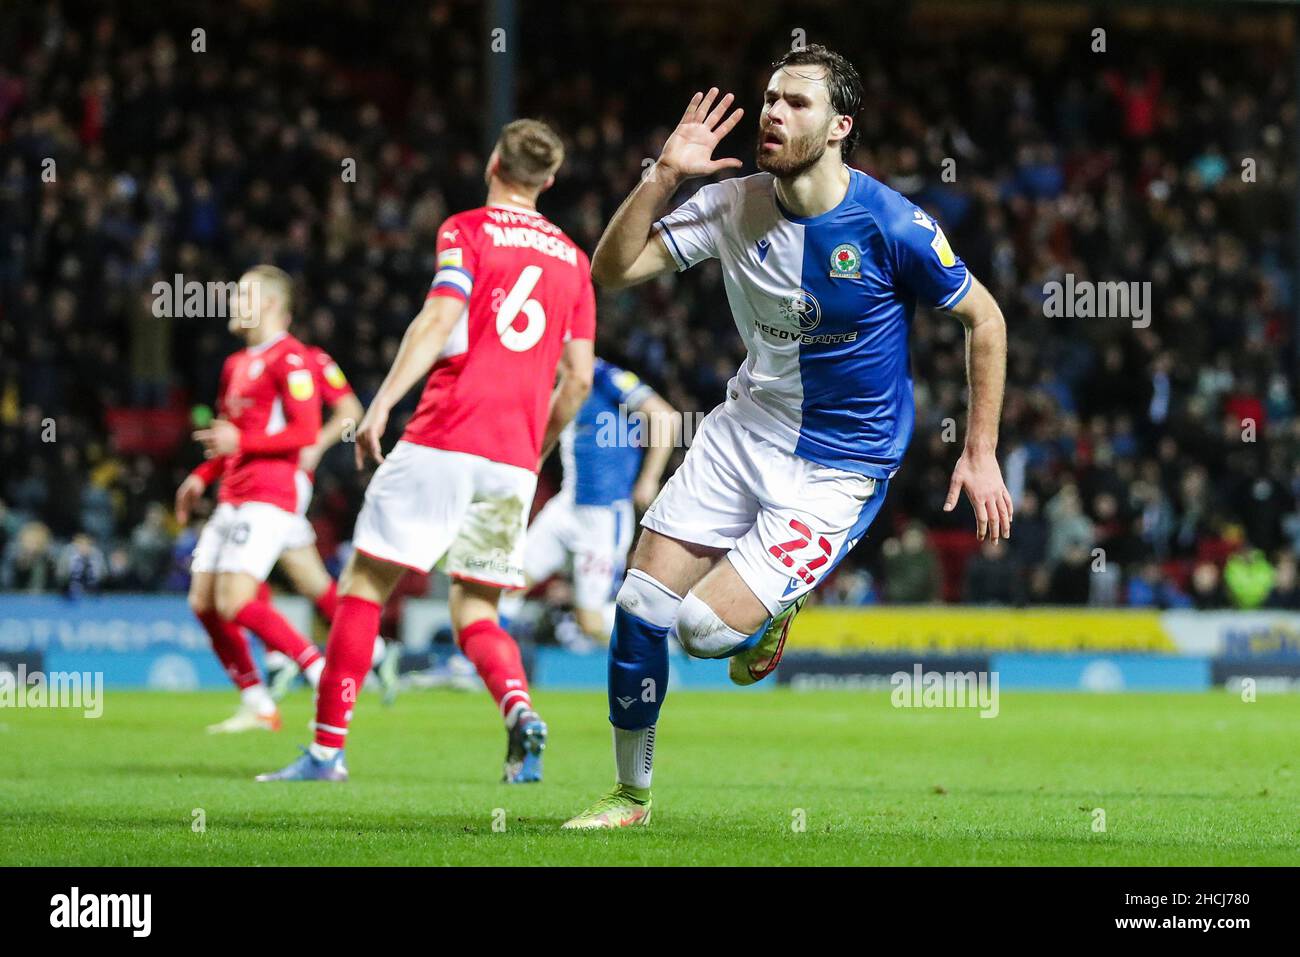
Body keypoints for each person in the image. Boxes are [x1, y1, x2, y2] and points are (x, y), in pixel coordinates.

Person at [564, 44, 1011, 828]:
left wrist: (979, 450)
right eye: (769, 97)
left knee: (703, 632)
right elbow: (611, 271)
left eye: (796, 102)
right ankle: (630, 794)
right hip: (745, 429)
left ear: (840, 126)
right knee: (638, 604)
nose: (773, 111)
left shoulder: (893, 224)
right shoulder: (733, 204)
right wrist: (662, 177)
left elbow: (986, 318)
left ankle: (774, 607)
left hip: (841, 463)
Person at [256, 119, 596, 784]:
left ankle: (326, 753)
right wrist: (535, 449)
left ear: (494, 160)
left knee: (364, 586)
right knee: (476, 607)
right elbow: (578, 377)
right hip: (511, 461)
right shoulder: (575, 260)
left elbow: (440, 317)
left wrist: (381, 401)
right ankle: (520, 711)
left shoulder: (465, 230)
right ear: (549, 180)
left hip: (446, 433)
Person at [178, 266, 325, 734]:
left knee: (236, 602)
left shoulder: (292, 359)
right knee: (203, 602)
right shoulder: (235, 364)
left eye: (242, 294)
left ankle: (319, 670)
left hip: (269, 495)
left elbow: (304, 432)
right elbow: (227, 438)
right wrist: (201, 476)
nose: (231, 301)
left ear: (269, 304)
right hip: (232, 495)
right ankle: (257, 702)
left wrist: (242, 444)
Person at [502, 357, 677, 646]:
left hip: (603, 517)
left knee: (590, 622)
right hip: (567, 505)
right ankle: (470, 667)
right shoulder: (550, 379)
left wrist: (649, 478)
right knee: (509, 582)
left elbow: (666, 417)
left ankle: (665, 639)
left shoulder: (604, 375)